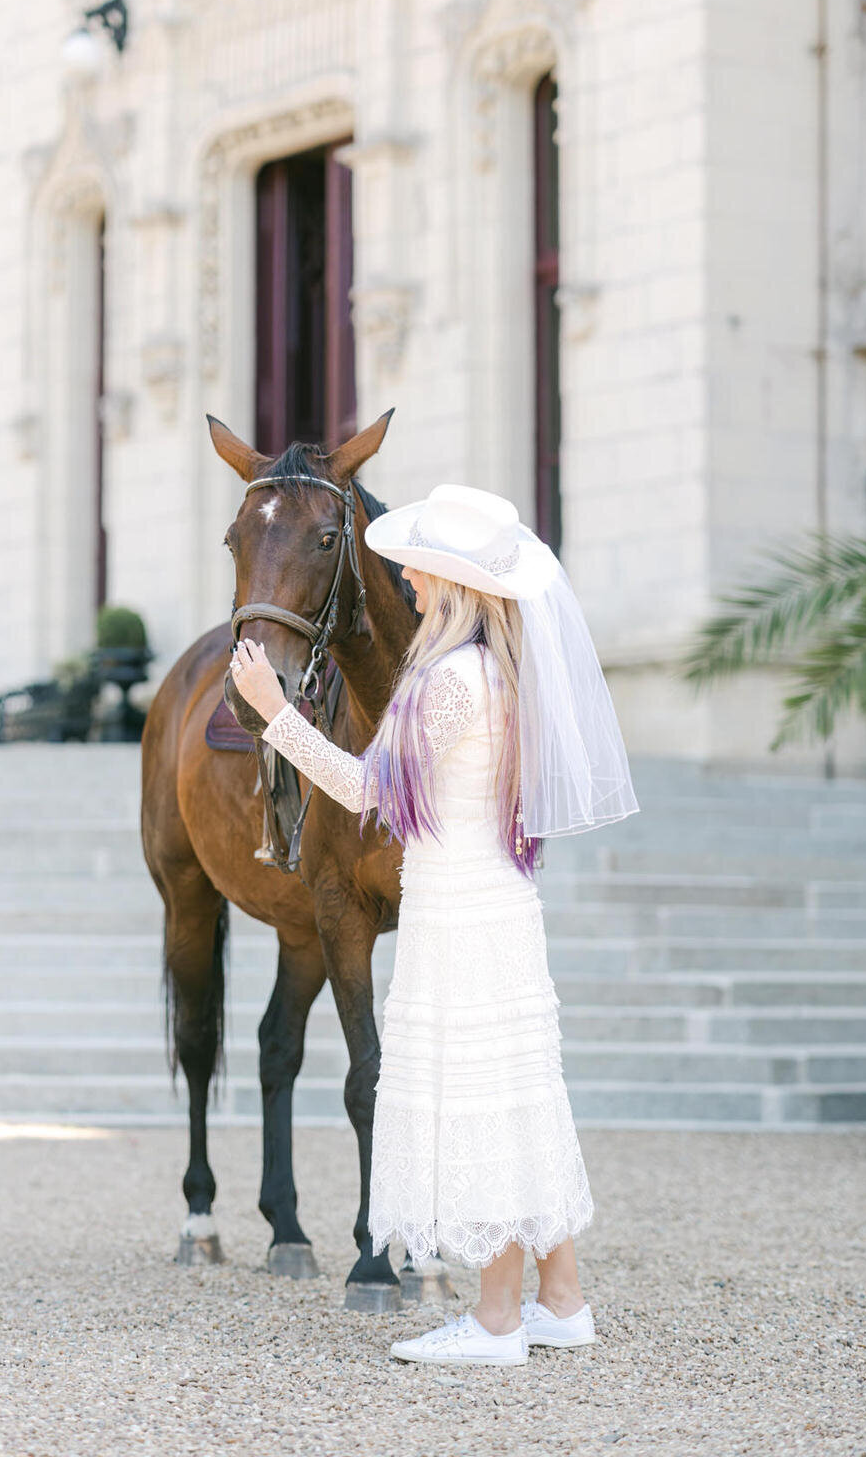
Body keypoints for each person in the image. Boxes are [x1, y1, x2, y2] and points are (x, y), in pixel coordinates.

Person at [229, 482, 638, 1367]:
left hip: (461, 916)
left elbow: (369, 790)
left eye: (416, 564)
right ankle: (558, 1300)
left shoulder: (450, 678)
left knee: (479, 1101)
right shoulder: (499, 667)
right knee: (522, 1098)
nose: (403, 575)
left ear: (448, 580)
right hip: (499, 906)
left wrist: (275, 713)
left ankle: (497, 1321)